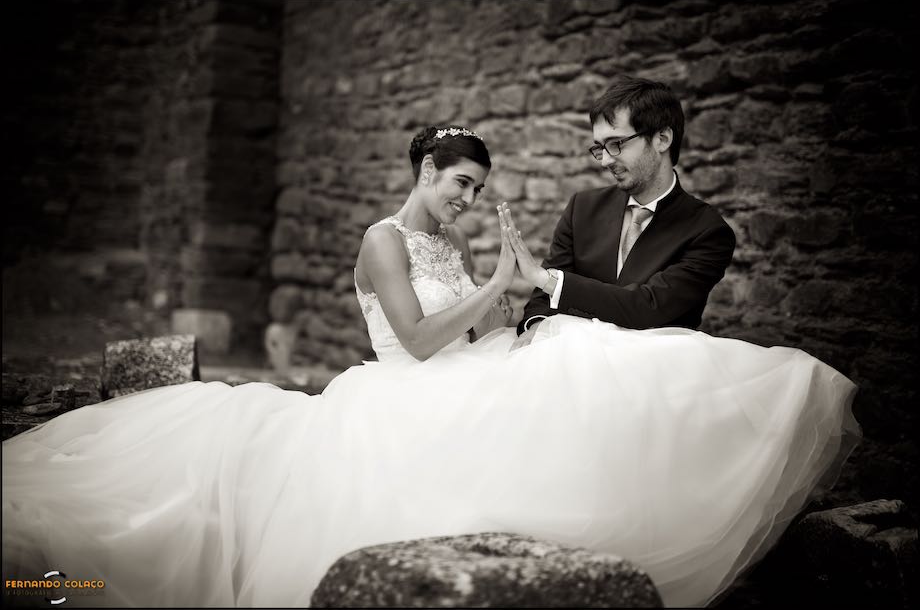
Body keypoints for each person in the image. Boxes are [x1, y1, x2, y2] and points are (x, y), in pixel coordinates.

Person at [2, 123, 858, 608]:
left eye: (477, 190)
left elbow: (475, 332)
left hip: (460, 376)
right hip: (400, 388)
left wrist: (513, 311)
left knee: (571, 365)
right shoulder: (381, 239)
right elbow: (414, 339)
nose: (467, 201)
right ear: (425, 171)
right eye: (459, 184)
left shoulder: (450, 242)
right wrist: (493, 286)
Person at [512, 74, 736, 350]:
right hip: (571, 357)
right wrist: (536, 327)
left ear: (662, 139)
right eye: (599, 147)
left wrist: (546, 279)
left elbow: (647, 307)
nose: (605, 160)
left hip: (655, 364)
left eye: (616, 143)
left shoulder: (708, 231)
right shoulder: (582, 208)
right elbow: (543, 300)